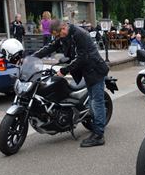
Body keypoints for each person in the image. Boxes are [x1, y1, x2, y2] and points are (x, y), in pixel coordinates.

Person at [33, 19, 110, 147]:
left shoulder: (80, 35)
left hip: (95, 70)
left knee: (97, 103)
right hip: (87, 72)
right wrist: (33, 57)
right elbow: (51, 46)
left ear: (63, 28)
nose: (58, 38)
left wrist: (64, 70)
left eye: (58, 35)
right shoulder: (64, 35)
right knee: (92, 103)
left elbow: (82, 57)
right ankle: (94, 125)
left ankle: (99, 135)